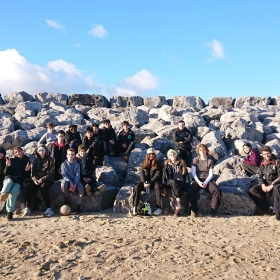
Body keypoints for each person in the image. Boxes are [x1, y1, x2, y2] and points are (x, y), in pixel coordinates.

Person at [23, 145, 55, 217]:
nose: (41, 152)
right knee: (30, 187)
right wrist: (35, 180)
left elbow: (51, 172)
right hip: (37, 179)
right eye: (39, 151)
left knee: (43, 188)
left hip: (47, 179)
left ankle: (49, 208)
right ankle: (27, 207)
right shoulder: (36, 160)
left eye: (43, 150)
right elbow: (33, 172)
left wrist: (42, 179)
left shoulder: (50, 159)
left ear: (45, 151)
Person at [0, 147, 31, 221]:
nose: (18, 153)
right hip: (9, 178)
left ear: (22, 151)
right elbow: (6, 173)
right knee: (9, 182)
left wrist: (27, 170)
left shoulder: (27, 162)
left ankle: (10, 212)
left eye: (19, 151)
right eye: (16, 152)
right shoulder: (12, 160)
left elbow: (27, 176)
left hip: (19, 180)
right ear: (14, 154)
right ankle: (3, 193)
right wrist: (8, 166)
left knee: (13, 191)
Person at [249, 146, 280, 220]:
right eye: (264, 154)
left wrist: (272, 185)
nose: (267, 156)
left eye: (268, 153)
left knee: (277, 188)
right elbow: (259, 176)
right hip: (267, 182)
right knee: (252, 190)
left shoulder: (277, 161)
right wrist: (263, 185)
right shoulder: (263, 163)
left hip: (277, 182)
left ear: (271, 153)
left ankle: (278, 212)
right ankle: (268, 208)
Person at [190, 144, 221, 217]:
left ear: (206, 150)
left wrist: (205, 182)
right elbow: (193, 173)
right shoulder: (195, 160)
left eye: (203, 150)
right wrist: (199, 182)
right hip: (198, 179)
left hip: (207, 179)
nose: (202, 151)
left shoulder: (210, 161)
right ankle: (194, 210)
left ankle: (214, 210)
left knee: (216, 190)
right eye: (200, 150)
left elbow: (211, 174)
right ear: (198, 151)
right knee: (190, 190)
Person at [132, 148, 163, 216]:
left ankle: (159, 208)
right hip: (145, 182)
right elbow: (141, 174)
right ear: (147, 155)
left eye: (152, 154)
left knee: (158, 187)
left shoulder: (158, 163)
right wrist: (144, 182)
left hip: (154, 182)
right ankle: (135, 207)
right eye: (150, 154)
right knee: (137, 187)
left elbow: (158, 174)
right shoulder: (143, 163)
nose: (151, 155)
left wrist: (150, 182)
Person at [162, 149, 190, 217]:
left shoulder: (182, 163)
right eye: (171, 155)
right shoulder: (167, 166)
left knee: (174, 188)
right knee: (173, 182)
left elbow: (186, 177)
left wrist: (186, 189)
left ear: (176, 155)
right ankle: (178, 203)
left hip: (181, 182)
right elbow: (164, 178)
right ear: (169, 157)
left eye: (174, 154)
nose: (173, 156)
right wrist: (164, 188)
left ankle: (177, 208)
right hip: (171, 182)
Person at [61, 148, 85, 214]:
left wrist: (74, 184)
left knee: (81, 188)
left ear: (74, 156)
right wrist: (70, 182)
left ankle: (78, 206)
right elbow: (64, 175)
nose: (71, 156)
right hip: (67, 180)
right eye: (69, 154)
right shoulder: (63, 164)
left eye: (72, 154)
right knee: (63, 184)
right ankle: (67, 198)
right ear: (67, 155)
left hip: (75, 181)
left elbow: (78, 175)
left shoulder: (77, 164)